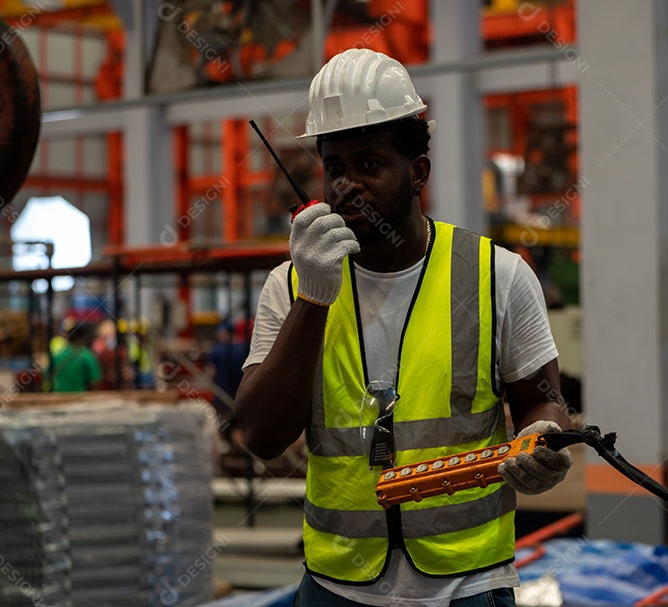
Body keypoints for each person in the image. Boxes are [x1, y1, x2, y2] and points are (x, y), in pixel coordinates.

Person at [235, 48, 572, 607]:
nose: (346, 187)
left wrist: (540, 440)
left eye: (368, 165)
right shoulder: (291, 287)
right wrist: (315, 296)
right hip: (336, 588)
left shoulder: (496, 276)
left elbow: (545, 401)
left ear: (417, 172)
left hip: (469, 585)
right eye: (335, 168)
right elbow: (264, 435)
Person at [50, 322, 101, 392]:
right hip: (81, 398)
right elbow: (95, 380)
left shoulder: (58, 355)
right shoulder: (87, 355)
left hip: (60, 397)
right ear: (83, 338)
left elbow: (47, 375)